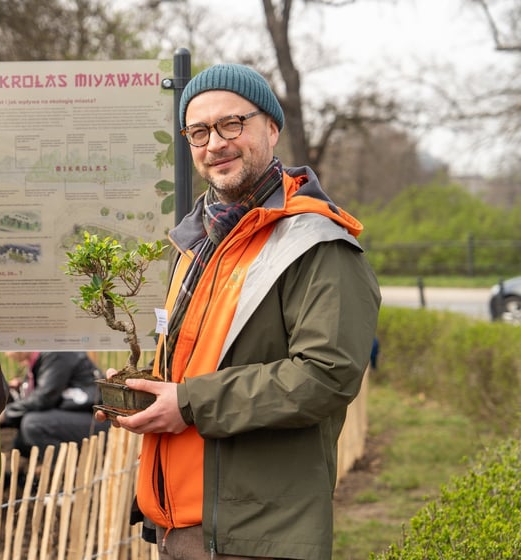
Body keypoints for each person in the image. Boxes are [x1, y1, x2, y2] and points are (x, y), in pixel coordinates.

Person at [95, 63, 381, 560]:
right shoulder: (197, 241)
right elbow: (200, 360)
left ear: (271, 127)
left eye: (232, 124)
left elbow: (327, 376)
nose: (215, 144)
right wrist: (145, 389)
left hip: (254, 532)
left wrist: (187, 402)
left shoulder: (316, 245)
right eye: (199, 131)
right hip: (178, 524)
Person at [1, 351, 108, 457]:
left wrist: (5, 415)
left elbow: (43, 398)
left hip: (95, 420)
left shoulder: (57, 353)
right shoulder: (42, 358)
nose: (6, 353)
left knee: (33, 424)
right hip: (77, 415)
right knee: (21, 440)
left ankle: (66, 469)